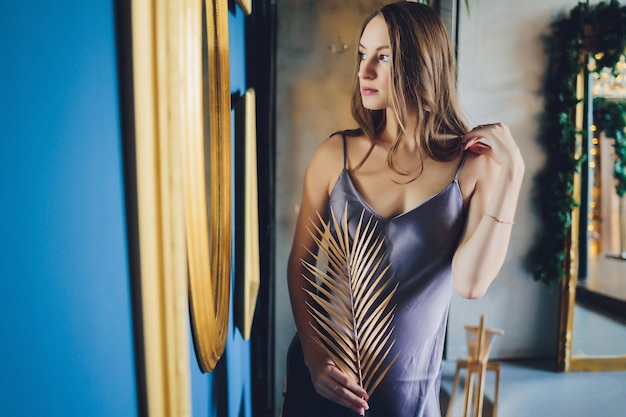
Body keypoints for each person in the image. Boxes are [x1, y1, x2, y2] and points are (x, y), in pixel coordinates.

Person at [282, 2, 524, 416]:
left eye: (384, 57)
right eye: (362, 54)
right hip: (323, 381)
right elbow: (301, 263)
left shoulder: (472, 167)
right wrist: (313, 357)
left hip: (406, 396)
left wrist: (513, 175)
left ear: (423, 64)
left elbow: (470, 284)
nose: (364, 71)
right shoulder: (334, 155)